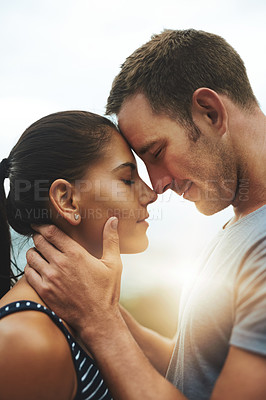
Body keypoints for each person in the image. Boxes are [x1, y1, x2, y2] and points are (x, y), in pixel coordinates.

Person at [25, 29, 266, 400]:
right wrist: (102, 308)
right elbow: (198, 370)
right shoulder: (242, 220)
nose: (156, 186)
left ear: (210, 112)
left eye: (155, 152)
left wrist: (101, 325)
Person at [0, 110, 157, 400]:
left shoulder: (90, 311)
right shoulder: (25, 340)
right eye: (127, 179)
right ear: (67, 200)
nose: (150, 193)